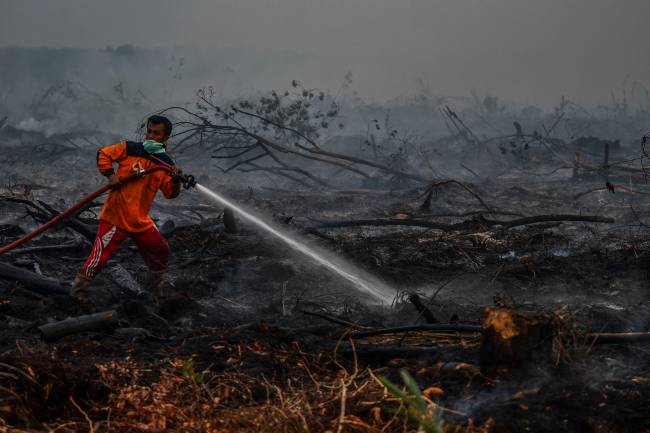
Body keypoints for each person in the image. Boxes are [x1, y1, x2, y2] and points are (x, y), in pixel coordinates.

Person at [70, 115, 182, 307]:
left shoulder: (164, 164)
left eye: (156, 133)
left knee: (160, 249)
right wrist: (110, 174)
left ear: (166, 138)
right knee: (98, 258)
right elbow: (103, 153)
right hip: (116, 216)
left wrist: (176, 179)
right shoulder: (129, 148)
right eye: (149, 131)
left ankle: (154, 290)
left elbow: (170, 193)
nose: (150, 136)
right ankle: (77, 294)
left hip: (139, 219)